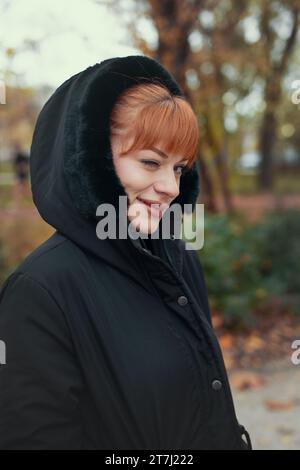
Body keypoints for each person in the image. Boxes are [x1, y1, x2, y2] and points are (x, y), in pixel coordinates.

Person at [0, 55, 252, 450]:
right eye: (150, 162)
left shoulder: (179, 259)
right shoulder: (40, 290)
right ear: (89, 161)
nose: (170, 186)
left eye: (180, 169)